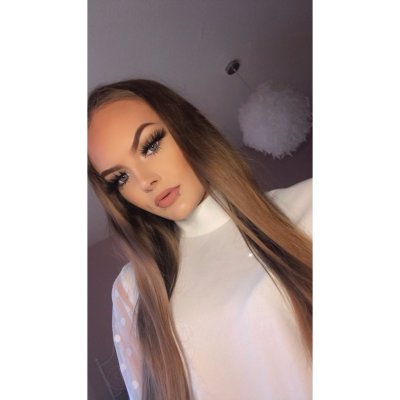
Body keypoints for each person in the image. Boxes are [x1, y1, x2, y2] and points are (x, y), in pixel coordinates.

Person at [88, 79, 312, 400]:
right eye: (120, 178)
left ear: (187, 127)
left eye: (150, 145)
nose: (145, 181)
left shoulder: (309, 206)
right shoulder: (134, 288)